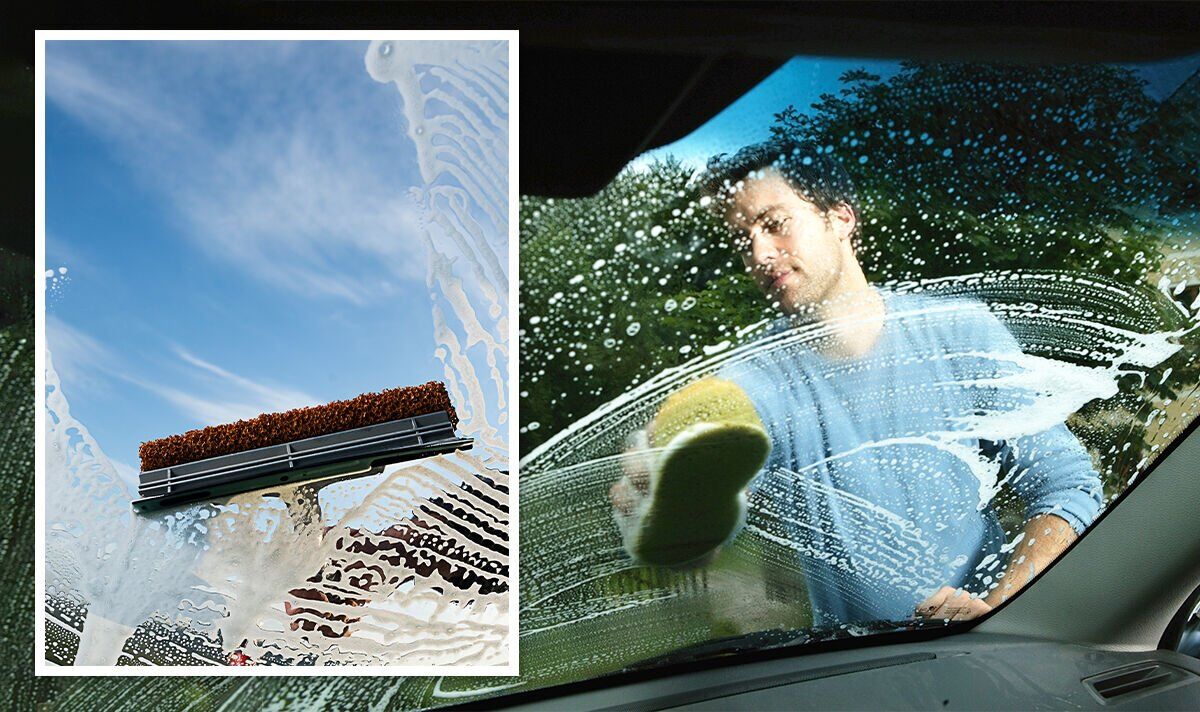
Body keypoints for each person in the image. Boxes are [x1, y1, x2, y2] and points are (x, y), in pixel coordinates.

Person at [610, 137, 1103, 626]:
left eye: (775, 224)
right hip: (852, 668)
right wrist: (665, 516)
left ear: (841, 218)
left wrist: (997, 611)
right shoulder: (750, 382)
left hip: (992, 649)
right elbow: (712, 524)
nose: (759, 253)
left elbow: (1066, 487)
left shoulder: (960, 332)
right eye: (744, 240)